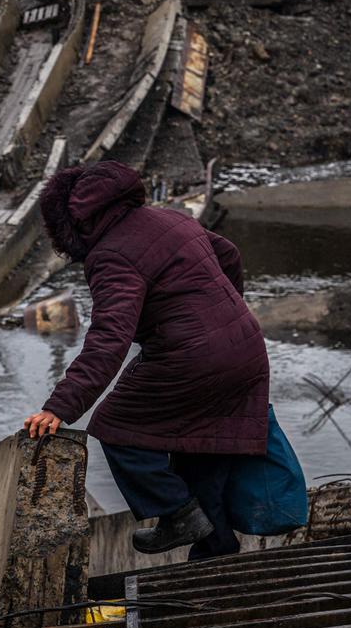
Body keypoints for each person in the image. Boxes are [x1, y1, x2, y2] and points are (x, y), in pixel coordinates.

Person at [20, 161, 270, 560]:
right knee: (203, 456)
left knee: (117, 426)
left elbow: (109, 337)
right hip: (246, 351)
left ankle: (176, 512)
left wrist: (60, 407)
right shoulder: (170, 218)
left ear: (72, 225)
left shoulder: (110, 256)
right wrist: (226, 311)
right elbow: (230, 253)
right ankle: (215, 563)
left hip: (193, 360)